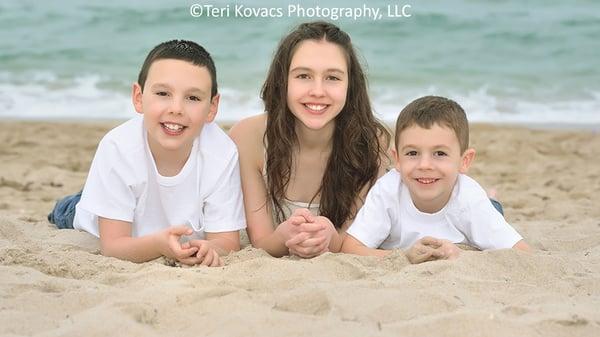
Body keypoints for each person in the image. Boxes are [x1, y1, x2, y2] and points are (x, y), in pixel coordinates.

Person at [48, 40, 246, 266]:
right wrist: (159, 245)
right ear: (138, 98)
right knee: (68, 210)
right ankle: (74, 201)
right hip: (95, 213)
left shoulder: (222, 153)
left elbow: (228, 242)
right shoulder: (117, 147)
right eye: (163, 93)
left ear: (212, 107)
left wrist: (210, 248)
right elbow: (112, 247)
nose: (176, 108)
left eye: (193, 98)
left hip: (143, 207)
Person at [229, 21, 391, 258]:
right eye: (303, 76)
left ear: (350, 85)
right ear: (283, 80)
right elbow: (262, 242)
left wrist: (330, 237)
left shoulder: (371, 142)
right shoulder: (248, 137)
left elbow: (351, 241)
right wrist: (285, 236)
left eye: (333, 78)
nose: (318, 91)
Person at [341, 96, 531, 263]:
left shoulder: (469, 199)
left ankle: (492, 200)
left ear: (464, 161)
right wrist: (403, 257)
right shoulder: (388, 191)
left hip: (478, 208)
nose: (425, 165)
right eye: (412, 153)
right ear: (397, 159)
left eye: (440, 153)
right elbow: (350, 248)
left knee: (492, 211)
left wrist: (462, 256)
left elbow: (523, 254)